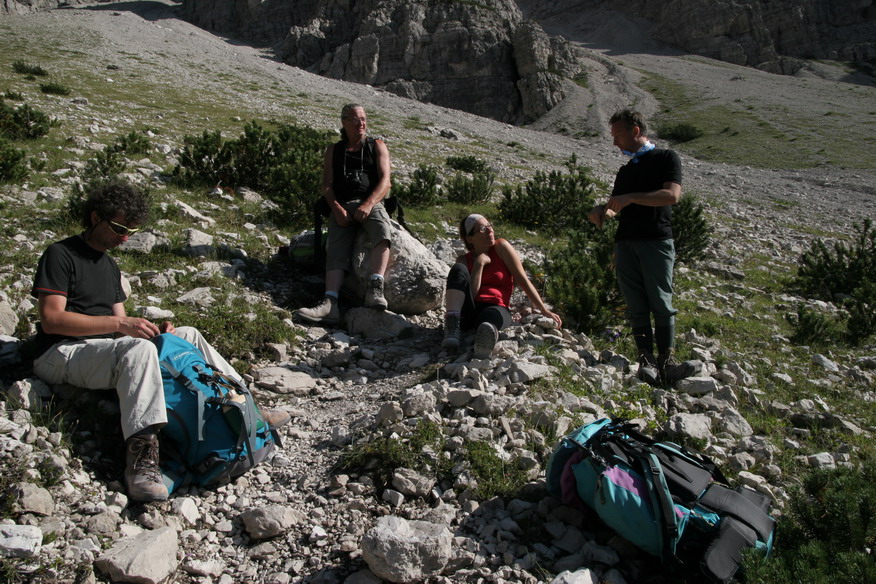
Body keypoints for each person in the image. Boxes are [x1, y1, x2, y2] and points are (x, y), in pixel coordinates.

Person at [30, 181, 290, 502]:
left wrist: (153, 330)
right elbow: (51, 319)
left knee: (187, 334)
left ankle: (245, 404)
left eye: (131, 230)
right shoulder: (61, 254)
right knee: (138, 349)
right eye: (119, 228)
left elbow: (118, 326)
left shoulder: (109, 266)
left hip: (101, 350)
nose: (124, 237)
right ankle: (141, 461)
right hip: (59, 351)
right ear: (96, 217)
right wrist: (121, 325)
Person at [587, 109, 696, 386]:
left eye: (618, 135)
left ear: (635, 131)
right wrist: (602, 211)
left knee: (661, 301)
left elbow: (671, 195)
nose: (615, 143)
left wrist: (630, 198)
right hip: (626, 242)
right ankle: (646, 360)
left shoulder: (666, 158)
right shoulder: (626, 170)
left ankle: (666, 361)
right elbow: (617, 207)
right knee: (636, 304)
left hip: (656, 240)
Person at [297, 103, 393, 325]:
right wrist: (337, 209)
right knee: (336, 246)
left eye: (363, 119)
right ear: (344, 122)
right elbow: (327, 186)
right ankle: (330, 303)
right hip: (343, 205)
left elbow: (385, 181)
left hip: (371, 202)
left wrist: (369, 204)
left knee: (382, 229)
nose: (361, 123)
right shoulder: (334, 150)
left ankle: (375, 288)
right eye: (355, 119)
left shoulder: (376, 145)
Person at [442, 214, 562, 358]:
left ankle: (484, 342)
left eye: (489, 225)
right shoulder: (463, 259)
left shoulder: (501, 247)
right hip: (469, 309)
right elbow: (472, 294)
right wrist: (479, 264)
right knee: (458, 269)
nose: (489, 231)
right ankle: (453, 326)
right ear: (470, 238)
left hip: (496, 306)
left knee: (489, 319)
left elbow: (522, 279)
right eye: (481, 229)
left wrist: (543, 310)